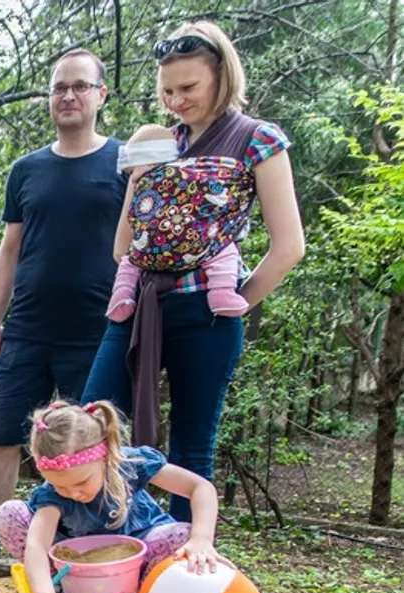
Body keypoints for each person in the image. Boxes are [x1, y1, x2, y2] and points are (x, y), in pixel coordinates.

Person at [82, 21, 305, 523]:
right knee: (91, 424)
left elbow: (289, 246)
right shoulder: (158, 140)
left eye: (188, 88)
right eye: (167, 91)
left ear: (221, 75)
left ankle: (184, 570)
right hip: (138, 306)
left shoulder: (257, 139)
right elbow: (124, 247)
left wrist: (234, 303)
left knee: (191, 448)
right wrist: (139, 179)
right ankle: (104, 543)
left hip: (207, 313)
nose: (176, 101)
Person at [0, 48, 128, 554]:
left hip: (98, 331)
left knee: (93, 441)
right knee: (2, 434)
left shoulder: (124, 163)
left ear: (101, 94)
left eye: (80, 86)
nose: (68, 95)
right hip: (27, 330)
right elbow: (11, 248)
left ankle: (96, 541)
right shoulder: (26, 170)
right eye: (59, 87)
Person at [0, 401, 228, 593]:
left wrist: (202, 538)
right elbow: (37, 545)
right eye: (59, 485)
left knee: (182, 535)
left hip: (138, 553)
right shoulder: (53, 496)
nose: (73, 493)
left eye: (81, 482)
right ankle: (65, 589)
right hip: (76, 562)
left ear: (105, 456)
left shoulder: (131, 465)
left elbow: (200, 487)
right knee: (8, 515)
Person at [106, 123, 247, 322]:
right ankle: (222, 292)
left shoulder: (141, 175)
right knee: (224, 249)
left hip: (149, 246)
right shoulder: (201, 170)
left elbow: (121, 251)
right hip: (196, 241)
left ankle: (122, 294)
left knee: (131, 261)